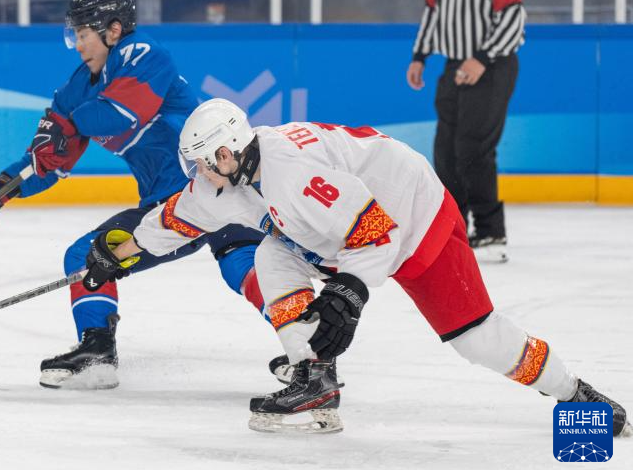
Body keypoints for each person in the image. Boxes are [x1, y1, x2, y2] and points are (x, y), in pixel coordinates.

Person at [85, 98, 630, 437]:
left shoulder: (292, 174)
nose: (198, 175)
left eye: (202, 164)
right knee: (272, 255)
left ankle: (575, 393)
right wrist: (120, 253)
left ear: (226, 153)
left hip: (414, 216)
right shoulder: (228, 180)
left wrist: (347, 294)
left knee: (477, 340)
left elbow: (377, 232)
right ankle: (314, 377)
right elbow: (177, 218)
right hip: (339, 228)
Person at [0, 0, 268, 389]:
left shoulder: (144, 55)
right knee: (85, 256)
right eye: (75, 34)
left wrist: (68, 124)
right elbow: (47, 164)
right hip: (166, 207)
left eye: (84, 33)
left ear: (114, 30)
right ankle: (97, 351)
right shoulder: (77, 90)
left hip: (216, 189)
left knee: (244, 265)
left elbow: (118, 114)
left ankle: (309, 348)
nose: (78, 45)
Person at [407, 0, 523, 264]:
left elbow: (512, 16)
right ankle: (453, 229)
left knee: (473, 148)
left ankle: (490, 231)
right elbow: (433, 9)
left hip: (493, 65)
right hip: (455, 64)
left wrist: (482, 58)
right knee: (445, 150)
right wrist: (420, 54)